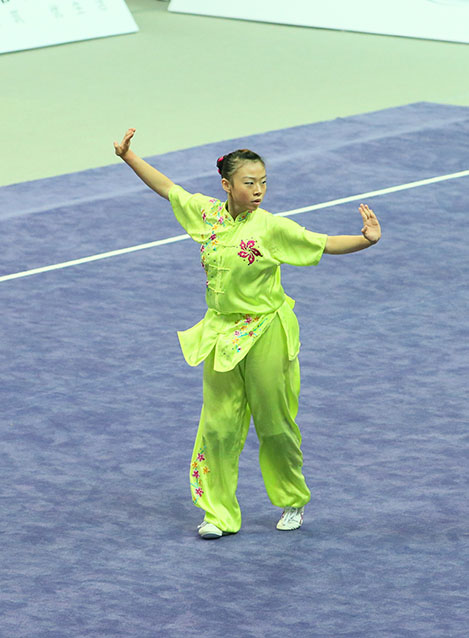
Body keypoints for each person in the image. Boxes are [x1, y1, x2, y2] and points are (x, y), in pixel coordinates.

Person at [114, 128, 381, 540]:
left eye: (263, 182)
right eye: (249, 183)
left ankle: (292, 499)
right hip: (221, 332)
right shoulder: (207, 215)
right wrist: (129, 156)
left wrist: (365, 240)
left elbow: (323, 243)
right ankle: (218, 514)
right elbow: (168, 189)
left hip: (266, 330)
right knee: (218, 426)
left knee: (273, 424)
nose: (258, 190)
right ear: (227, 185)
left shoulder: (270, 227)